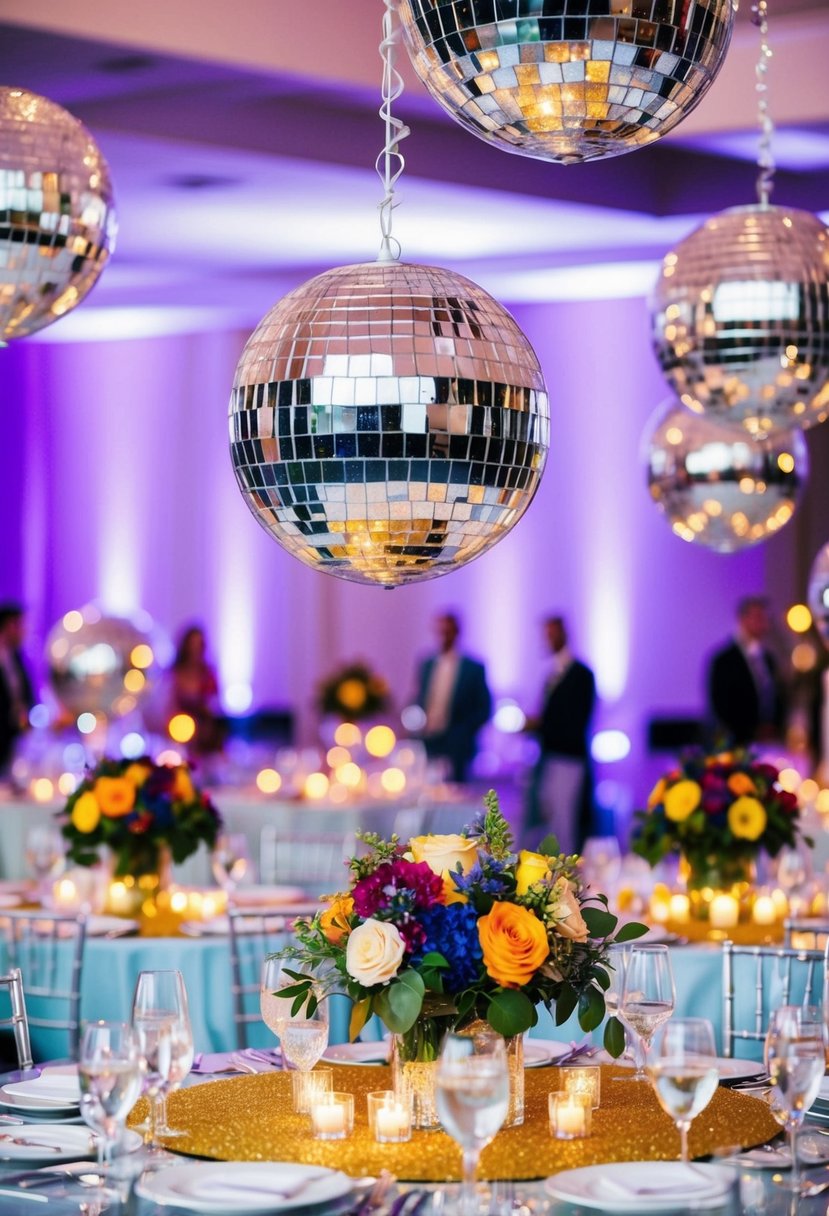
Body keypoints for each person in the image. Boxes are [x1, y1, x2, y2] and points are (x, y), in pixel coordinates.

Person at [526, 615, 596, 855]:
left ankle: (566, 873)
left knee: (565, 820)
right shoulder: (552, 673)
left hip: (569, 756)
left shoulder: (582, 674)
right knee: (551, 815)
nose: (549, 639)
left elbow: (576, 720)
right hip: (550, 756)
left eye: (552, 634)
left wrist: (540, 726)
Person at [415, 611, 491, 783]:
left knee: (456, 790)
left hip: (458, 741)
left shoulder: (473, 668)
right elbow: (420, 697)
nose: (443, 636)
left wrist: (464, 732)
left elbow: (484, 708)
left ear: (456, 632)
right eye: (440, 631)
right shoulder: (427, 664)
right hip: (429, 738)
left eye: (447, 632)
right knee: (428, 785)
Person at [707, 596, 787, 746]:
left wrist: (774, 727)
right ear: (742, 619)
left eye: (764, 617)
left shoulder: (768, 659)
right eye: (757, 616)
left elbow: (776, 696)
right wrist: (750, 730)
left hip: (768, 742)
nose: (762, 622)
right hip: (737, 742)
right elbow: (721, 705)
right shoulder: (724, 660)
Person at [169, 625, 225, 755]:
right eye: (192, 644)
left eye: (198, 644)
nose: (195, 649)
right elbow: (168, 705)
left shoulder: (209, 675)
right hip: (178, 732)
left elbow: (214, 706)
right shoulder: (174, 674)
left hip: (205, 734)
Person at [0, 602, 34, 776]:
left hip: (14, 736)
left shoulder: (18, 657)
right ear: (7, 625)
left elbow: (25, 694)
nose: (23, 630)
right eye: (19, 625)